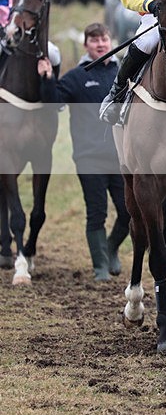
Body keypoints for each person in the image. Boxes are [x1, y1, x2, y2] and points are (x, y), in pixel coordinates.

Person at [38, 23, 130, 282]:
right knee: (97, 212)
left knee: (128, 212)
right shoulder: (76, 77)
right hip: (89, 157)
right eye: (94, 40)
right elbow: (52, 104)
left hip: (121, 156)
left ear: (110, 41)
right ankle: (100, 266)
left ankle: (110, 248)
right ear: (86, 45)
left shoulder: (123, 71)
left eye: (104, 38)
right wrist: (46, 78)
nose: (100, 44)